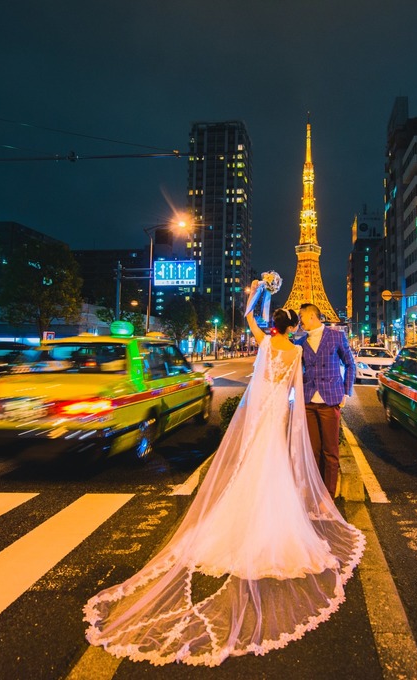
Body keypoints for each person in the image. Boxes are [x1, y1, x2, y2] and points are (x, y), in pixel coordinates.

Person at [83, 285, 365, 666]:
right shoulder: (296, 350)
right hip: (279, 411)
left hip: (258, 413)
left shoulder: (265, 343)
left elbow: (250, 316)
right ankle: (276, 518)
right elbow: (295, 387)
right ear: (295, 326)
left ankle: (242, 516)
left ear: (274, 326)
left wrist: (261, 291)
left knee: (250, 463)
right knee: (276, 464)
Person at [296, 302, 357, 498]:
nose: (300, 322)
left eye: (302, 317)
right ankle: (315, 492)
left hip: (330, 400)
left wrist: (345, 393)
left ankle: (328, 497)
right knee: (313, 452)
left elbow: (350, 364)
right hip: (308, 402)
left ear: (312, 316)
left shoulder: (336, 336)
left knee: (330, 451)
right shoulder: (301, 342)